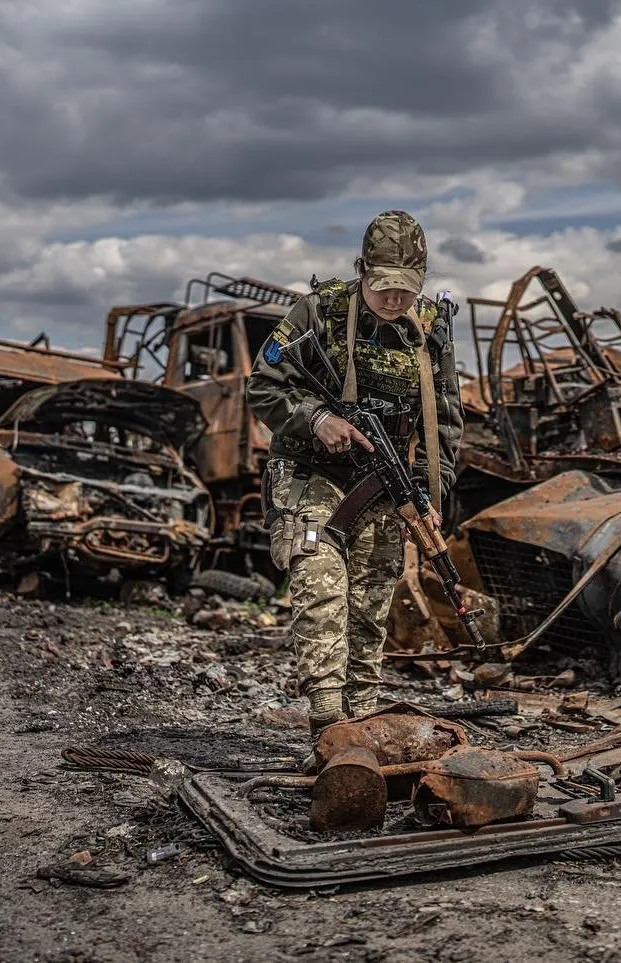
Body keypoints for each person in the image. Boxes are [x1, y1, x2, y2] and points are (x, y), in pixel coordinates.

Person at [245, 210, 464, 747]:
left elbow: (446, 422)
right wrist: (317, 419)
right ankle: (328, 724)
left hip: (384, 480)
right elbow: (262, 389)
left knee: (370, 600)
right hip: (310, 472)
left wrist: (428, 494)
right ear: (362, 270)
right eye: (383, 288)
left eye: (406, 291)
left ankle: (362, 718)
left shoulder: (430, 330)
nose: (394, 301)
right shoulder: (317, 312)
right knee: (321, 585)